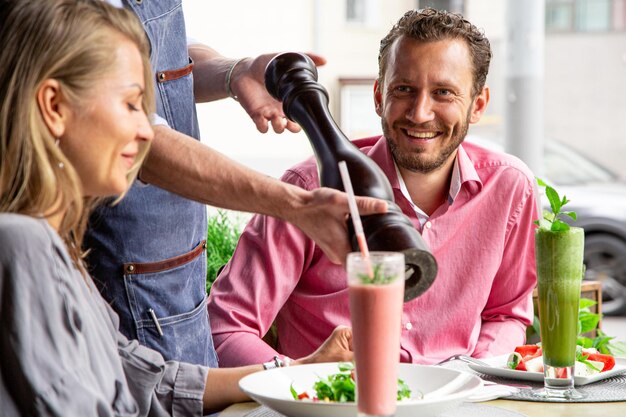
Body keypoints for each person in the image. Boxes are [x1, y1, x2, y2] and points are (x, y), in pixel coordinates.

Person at [0, 1, 354, 415]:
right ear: (55, 107)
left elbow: (144, 379)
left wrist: (292, 372)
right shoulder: (23, 245)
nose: (145, 129)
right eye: (133, 105)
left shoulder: (61, 253)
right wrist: (297, 205)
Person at [208, 8, 540, 366]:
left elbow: (506, 314)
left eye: (443, 93)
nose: (420, 113)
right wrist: (298, 376)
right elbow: (225, 327)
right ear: (379, 96)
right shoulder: (307, 193)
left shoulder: (510, 188)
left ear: (478, 106)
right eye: (404, 90)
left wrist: (469, 376)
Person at [86, 0, 385, 368]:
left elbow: (167, 55)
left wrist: (234, 71)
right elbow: (137, 139)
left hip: (182, 274)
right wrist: (296, 206)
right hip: (121, 266)